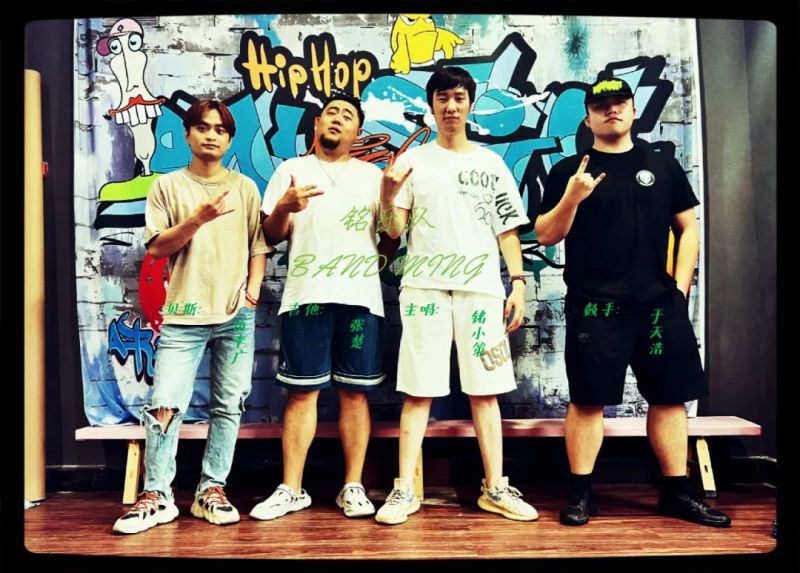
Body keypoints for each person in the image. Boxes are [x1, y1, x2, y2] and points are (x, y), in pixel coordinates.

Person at [535, 77, 731, 528]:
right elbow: (546, 234)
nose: (612, 109)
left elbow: (688, 228)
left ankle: (676, 493)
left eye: (620, 101)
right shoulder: (568, 170)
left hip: (659, 305)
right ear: (588, 117)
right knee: (587, 400)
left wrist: (680, 290)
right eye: (601, 105)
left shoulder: (661, 164)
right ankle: (581, 493)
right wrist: (572, 198)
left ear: (634, 110)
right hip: (595, 305)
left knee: (670, 398)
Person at [374, 66, 538, 525]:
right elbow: (393, 231)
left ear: (470, 103)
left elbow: (508, 231)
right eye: (442, 97)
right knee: (418, 391)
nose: (451, 106)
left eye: (459, 97)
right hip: (424, 288)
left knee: (486, 392)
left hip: (481, 289)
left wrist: (518, 283)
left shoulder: (491, 163)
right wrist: (387, 194)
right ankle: (404, 490)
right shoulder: (413, 162)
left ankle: (495, 488)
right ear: (431, 105)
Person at [113, 99, 270, 534]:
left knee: (229, 406)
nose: (211, 135)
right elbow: (158, 247)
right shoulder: (167, 186)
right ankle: (157, 495)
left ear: (230, 138)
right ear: (187, 134)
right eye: (202, 127)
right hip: (183, 316)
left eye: (220, 129)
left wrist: (253, 292)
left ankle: (211, 490)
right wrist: (197, 219)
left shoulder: (245, 187)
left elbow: (259, 245)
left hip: (235, 317)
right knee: (164, 404)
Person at [250, 92, 395, 521]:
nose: (337, 119)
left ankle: (352, 486)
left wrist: (389, 205)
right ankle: (291, 488)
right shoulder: (291, 171)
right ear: (316, 125)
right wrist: (284, 206)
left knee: (355, 393)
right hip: (306, 295)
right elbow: (270, 236)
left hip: (361, 299)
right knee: (301, 392)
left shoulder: (372, 176)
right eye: (330, 112)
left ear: (357, 131)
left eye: (347, 115)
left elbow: (391, 237)